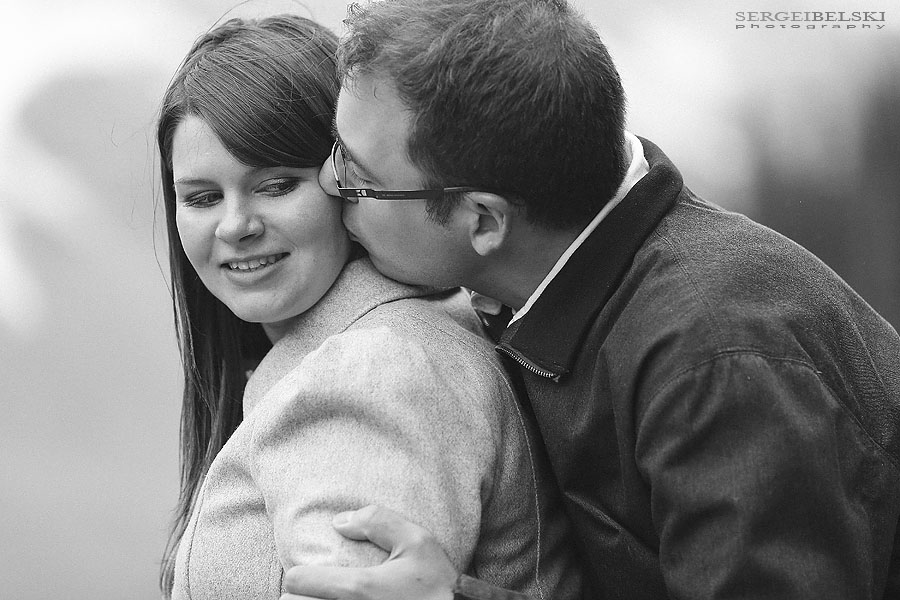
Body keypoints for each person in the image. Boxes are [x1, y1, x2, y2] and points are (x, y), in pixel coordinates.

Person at [280, 0, 900, 598]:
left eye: (361, 178)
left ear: (484, 221)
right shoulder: (560, 281)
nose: (329, 183)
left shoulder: (716, 365)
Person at [156, 14, 584, 600]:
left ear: (350, 181)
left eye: (277, 185)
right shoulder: (386, 337)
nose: (235, 226)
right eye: (202, 197)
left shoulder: (371, 368)